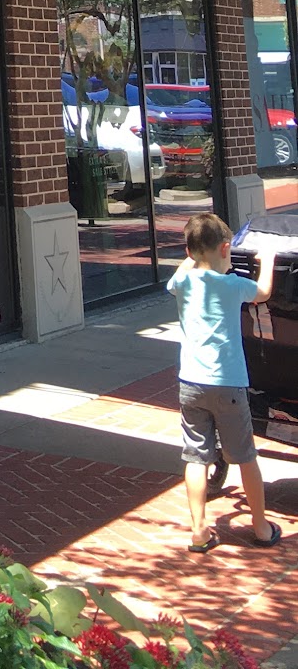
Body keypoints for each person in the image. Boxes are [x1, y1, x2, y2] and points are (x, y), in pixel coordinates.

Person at [167, 212, 280, 552]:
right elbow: (263, 292)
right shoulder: (232, 286)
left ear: (189, 252)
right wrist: (268, 260)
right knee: (245, 455)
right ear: (226, 248)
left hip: (191, 383)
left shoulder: (183, 283)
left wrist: (193, 257)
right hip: (228, 384)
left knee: (196, 457)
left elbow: (180, 274)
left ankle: (199, 531)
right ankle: (261, 527)